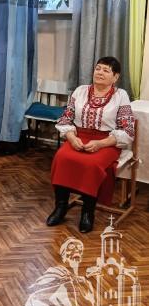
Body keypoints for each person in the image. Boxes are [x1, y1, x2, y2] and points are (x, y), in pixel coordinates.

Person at [46, 57, 135, 233]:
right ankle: (60, 207)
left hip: (107, 142)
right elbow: (66, 118)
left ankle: (87, 212)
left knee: (92, 164)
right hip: (79, 136)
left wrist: (101, 143)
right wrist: (71, 137)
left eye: (106, 70)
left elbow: (127, 130)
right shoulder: (80, 91)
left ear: (115, 77)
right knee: (61, 157)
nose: (100, 72)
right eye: (98, 68)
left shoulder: (120, 95)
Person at [20, 237, 106, 306]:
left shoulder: (84, 283)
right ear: (64, 253)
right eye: (71, 247)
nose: (76, 250)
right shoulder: (56, 272)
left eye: (79, 248)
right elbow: (36, 294)